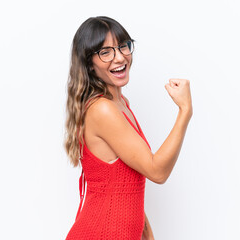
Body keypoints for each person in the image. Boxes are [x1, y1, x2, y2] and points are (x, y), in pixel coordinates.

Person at [64, 16, 192, 240]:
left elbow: (126, 187)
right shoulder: (102, 110)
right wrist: (185, 111)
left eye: (123, 46)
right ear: (89, 63)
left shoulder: (121, 105)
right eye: (105, 52)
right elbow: (157, 171)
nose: (120, 57)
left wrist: (146, 234)